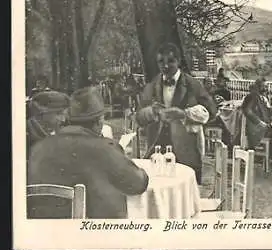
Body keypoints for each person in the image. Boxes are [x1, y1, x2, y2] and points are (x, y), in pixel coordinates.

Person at [27, 87, 149, 219]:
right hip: (95, 234)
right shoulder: (106, 148)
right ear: (99, 121)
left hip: (46, 233)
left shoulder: (38, 148)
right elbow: (138, 183)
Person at [135, 43, 217, 184]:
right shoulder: (152, 86)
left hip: (187, 152)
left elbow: (212, 111)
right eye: (161, 62)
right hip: (157, 152)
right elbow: (139, 118)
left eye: (171, 61)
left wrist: (185, 114)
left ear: (178, 61)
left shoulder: (193, 85)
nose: (165, 66)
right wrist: (152, 111)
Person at [26, 91, 70, 158]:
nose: (63, 119)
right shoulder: (25, 137)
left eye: (65, 115)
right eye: (58, 114)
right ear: (41, 112)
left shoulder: (58, 132)